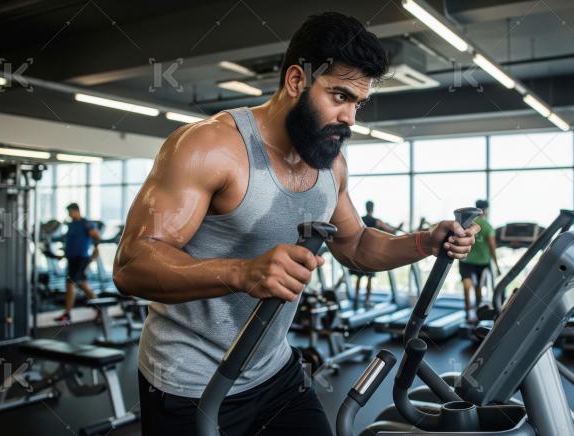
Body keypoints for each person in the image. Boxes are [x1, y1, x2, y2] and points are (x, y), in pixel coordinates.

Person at [113, 12, 479, 436]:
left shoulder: (331, 165)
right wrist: (242, 272)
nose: (351, 119)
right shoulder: (209, 146)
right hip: (189, 382)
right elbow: (132, 264)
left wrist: (423, 242)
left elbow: (356, 246)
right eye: (339, 96)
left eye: (358, 103)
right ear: (295, 81)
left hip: (275, 372)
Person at [349, 200, 403, 309]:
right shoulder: (377, 221)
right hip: (370, 254)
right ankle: (367, 301)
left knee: (359, 278)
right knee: (369, 278)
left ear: (366, 207)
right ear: (372, 208)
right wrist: (399, 227)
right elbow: (392, 231)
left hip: (359, 253)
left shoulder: (360, 220)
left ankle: (355, 300)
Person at [53, 203, 101, 323]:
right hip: (72, 258)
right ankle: (101, 309)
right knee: (83, 285)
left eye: (70, 212)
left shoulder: (85, 223)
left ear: (76, 211)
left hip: (81, 259)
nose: (69, 215)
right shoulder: (71, 224)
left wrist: (96, 249)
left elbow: (96, 236)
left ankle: (67, 313)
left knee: (70, 284)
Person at [459, 200, 499, 322]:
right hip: (482, 263)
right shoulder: (487, 226)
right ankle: (476, 313)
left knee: (467, 286)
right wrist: (496, 265)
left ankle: (468, 314)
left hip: (466, 262)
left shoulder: (467, 224)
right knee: (478, 288)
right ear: (486, 210)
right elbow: (492, 247)